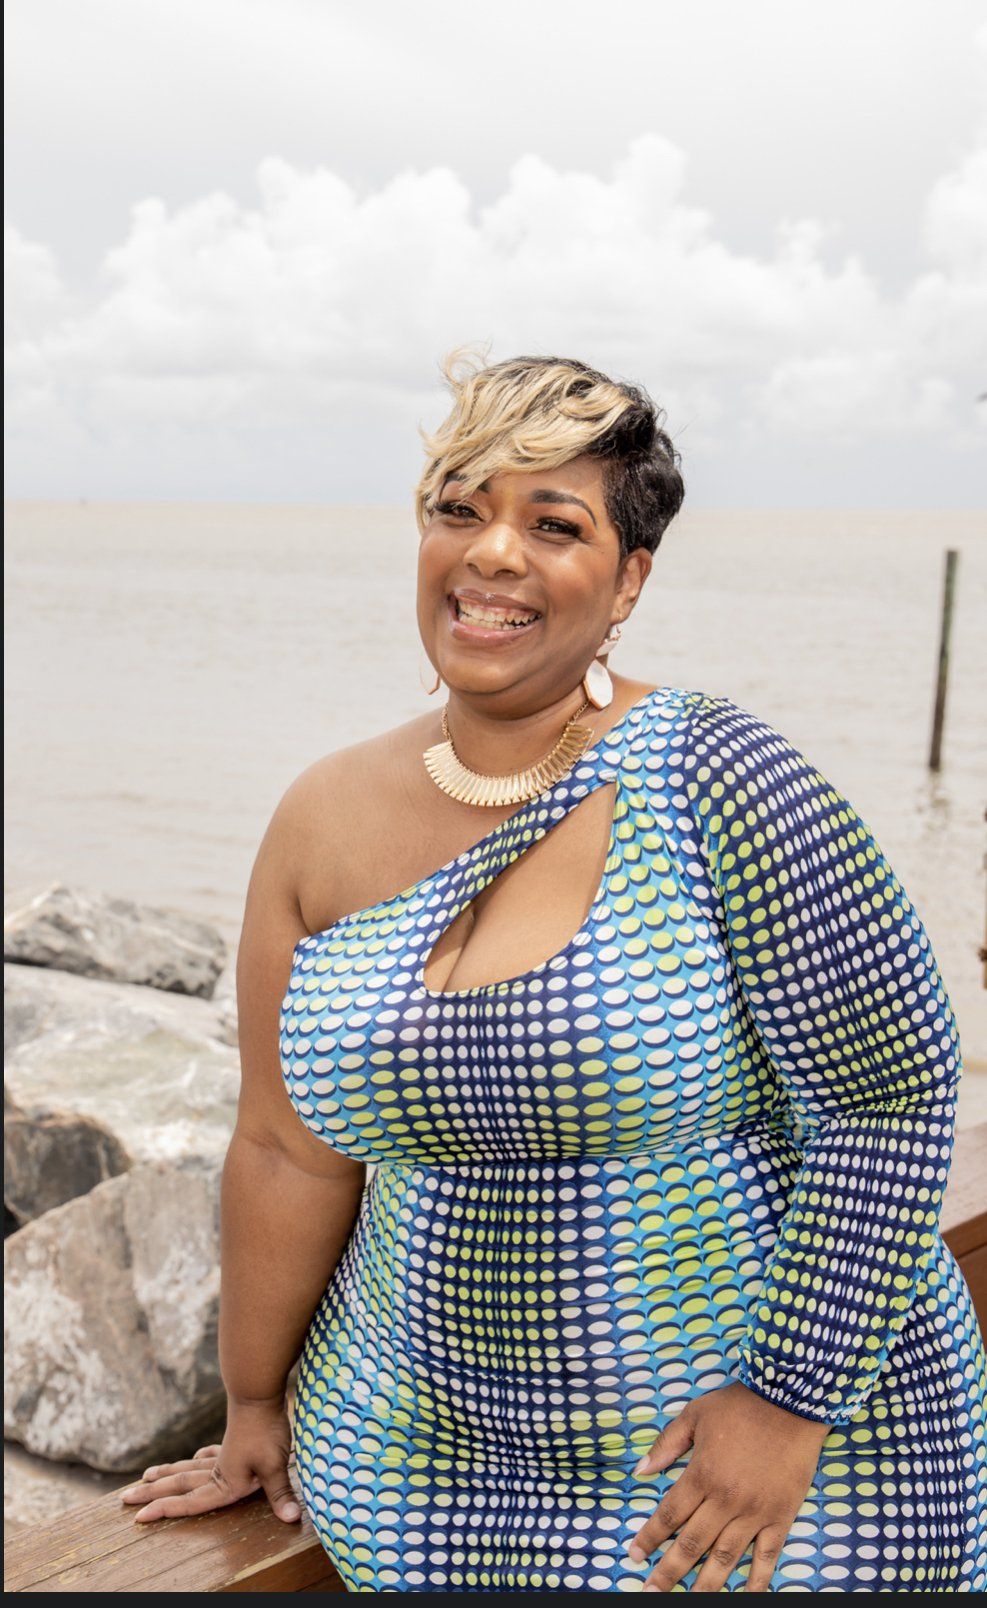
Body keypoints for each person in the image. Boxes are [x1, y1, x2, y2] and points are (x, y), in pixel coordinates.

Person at [122, 352, 987, 1593]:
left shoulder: (724, 784)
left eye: (554, 523)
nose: (491, 554)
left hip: (736, 1471)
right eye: (459, 507)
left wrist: (785, 1403)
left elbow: (891, 1095)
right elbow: (282, 1145)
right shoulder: (320, 817)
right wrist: (254, 1407)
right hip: (414, 1468)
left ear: (629, 578)